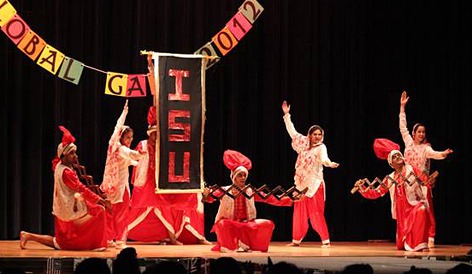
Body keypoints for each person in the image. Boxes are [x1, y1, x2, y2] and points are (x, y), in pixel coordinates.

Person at [126, 106, 209, 245]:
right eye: (153, 134)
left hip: (164, 183)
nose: (155, 137)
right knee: (137, 211)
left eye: (158, 134)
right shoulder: (143, 145)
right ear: (149, 134)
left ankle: (178, 238)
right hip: (147, 184)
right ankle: (120, 234)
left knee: (174, 208)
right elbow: (134, 162)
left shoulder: (167, 147)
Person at [20, 126, 111, 251]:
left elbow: (59, 160)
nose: (75, 156)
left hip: (63, 206)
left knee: (60, 242)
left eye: (74, 152)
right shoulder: (66, 172)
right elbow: (81, 188)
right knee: (99, 211)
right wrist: (99, 199)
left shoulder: (59, 165)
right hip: (70, 207)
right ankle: (94, 244)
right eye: (72, 153)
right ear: (64, 156)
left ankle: (28, 235)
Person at [203, 149, 294, 252]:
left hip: (247, 223)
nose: (242, 178)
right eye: (239, 175)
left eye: (244, 175)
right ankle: (231, 245)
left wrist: (290, 199)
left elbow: (269, 198)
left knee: (267, 224)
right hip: (230, 223)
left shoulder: (250, 191)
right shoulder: (225, 190)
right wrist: (206, 195)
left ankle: (249, 244)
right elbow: (209, 198)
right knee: (222, 224)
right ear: (234, 177)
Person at [354, 138, 435, 251]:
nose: (397, 157)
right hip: (402, 212)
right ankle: (409, 242)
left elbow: (425, 180)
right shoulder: (390, 177)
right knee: (400, 246)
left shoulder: (412, 169)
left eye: (398, 155)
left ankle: (420, 244)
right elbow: (376, 193)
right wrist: (361, 188)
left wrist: (430, 181)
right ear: (391, 163)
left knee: (421, 209)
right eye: (394, 157)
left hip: (413, 204)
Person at [399, 91, 453, 247]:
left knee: (427, 211)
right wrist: (402, 107)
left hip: (422, 185)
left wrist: (444, 153)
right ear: (414, 133)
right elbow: (403, 127)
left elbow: (435, 154)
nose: (421, 134)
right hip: (407, 184)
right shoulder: (408, 143)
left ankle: (430, 237)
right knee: (408, 213)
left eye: (423, 132)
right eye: (419, 132)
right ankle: (409, 238)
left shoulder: (426, 149)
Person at [282, 101, 339, 247]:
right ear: (309, 135)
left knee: (316, 213)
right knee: (299, 212)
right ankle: (296, 240)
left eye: (320, 134)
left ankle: (325, 240)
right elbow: (292, 132)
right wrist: (286, 115)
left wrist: (329, 163)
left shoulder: (321, 148)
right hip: (301, 184)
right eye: (315, 134)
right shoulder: (303, 146)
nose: (318, 137)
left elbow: (324, 159)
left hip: (315, 185)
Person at [100, 100, 145, 249]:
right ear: (120, 137)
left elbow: (130, 162)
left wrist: (140, 162)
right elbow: (131, 155)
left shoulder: (114, 149)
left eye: (131, 138)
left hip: (113, 186)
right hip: (119, 188)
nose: (130, 140)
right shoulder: (119, 149)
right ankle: (119, 240)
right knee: (121, 213)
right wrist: (140, 154)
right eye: (127, 137)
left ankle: (109, 239)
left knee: (112, 213)